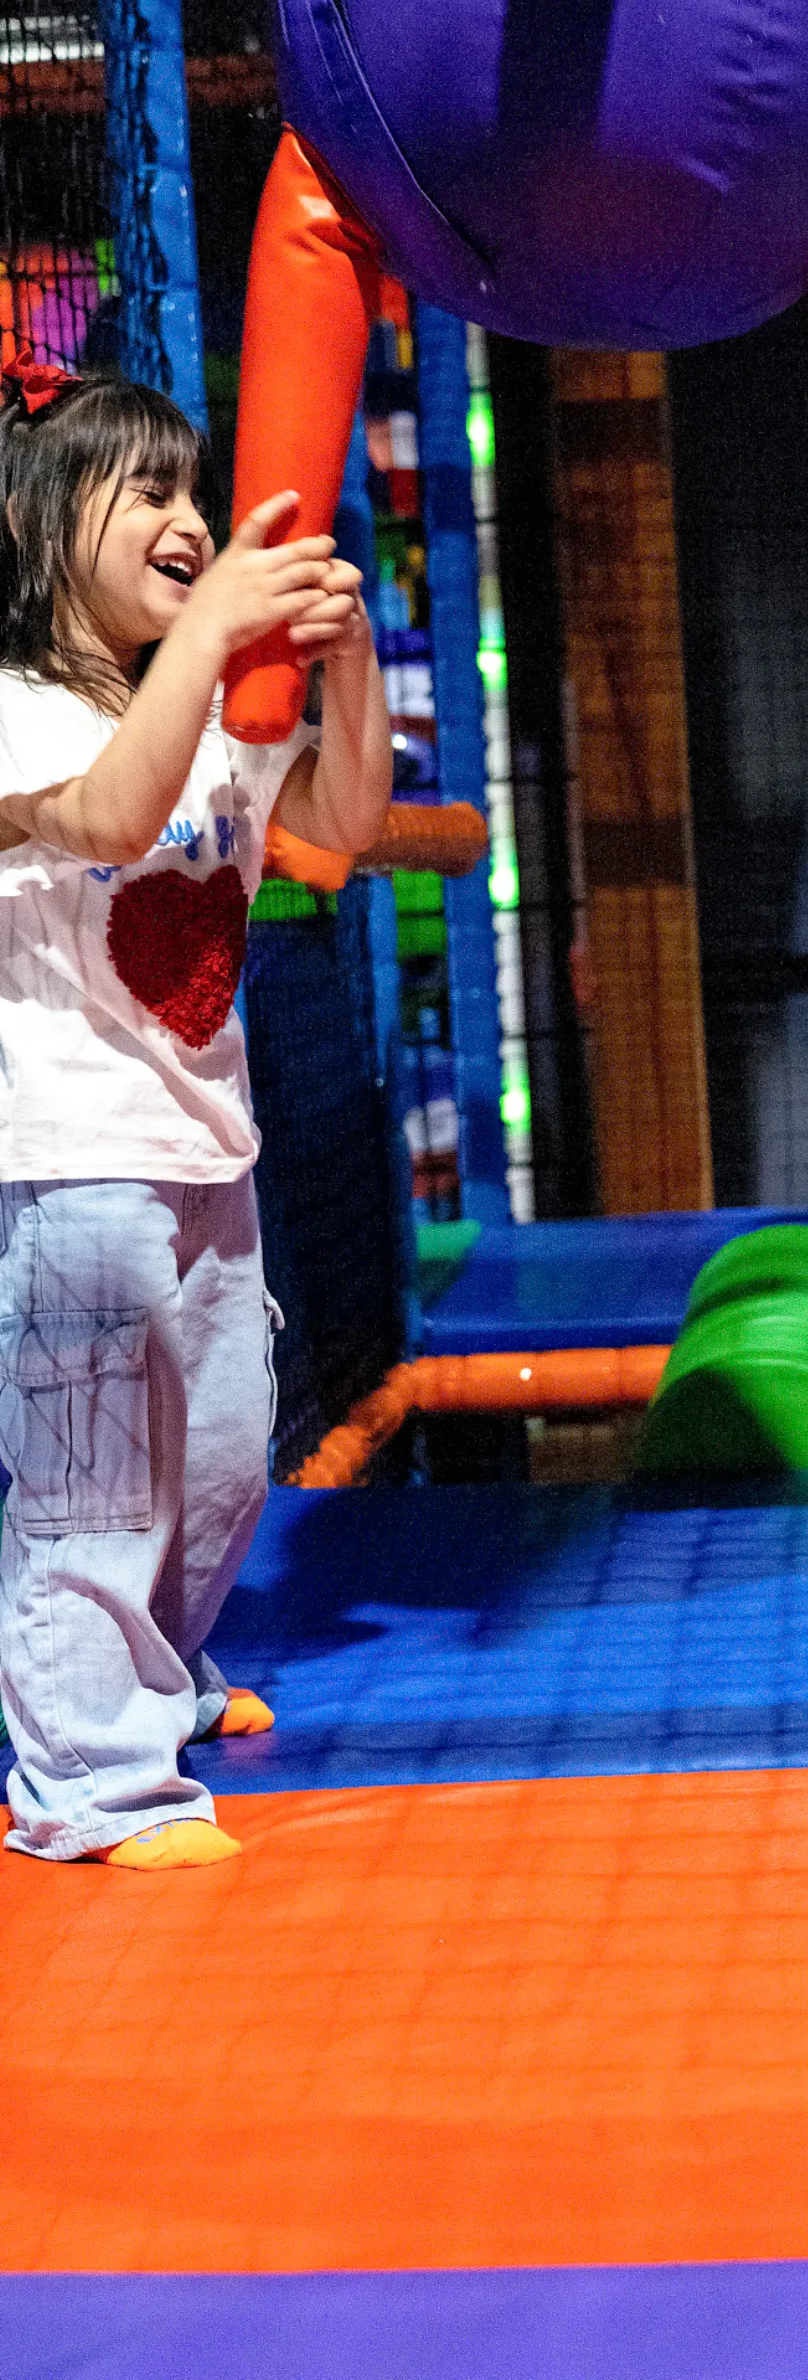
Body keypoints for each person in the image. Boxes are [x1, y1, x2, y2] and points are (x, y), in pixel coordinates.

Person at [0, 349, 392, 1868]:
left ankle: (148, 1680)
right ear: (44, 528)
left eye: (195, 495)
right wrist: (219, 627)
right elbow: (105, 816)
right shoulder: (27, 709)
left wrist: (342, 658)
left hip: (206, 1152)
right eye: (148, 493)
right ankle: (92, 1783)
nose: (187, 520)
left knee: (227, 1457)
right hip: (66, 1160)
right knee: (91, 1480)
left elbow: (342, 830)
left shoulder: (219, 705)